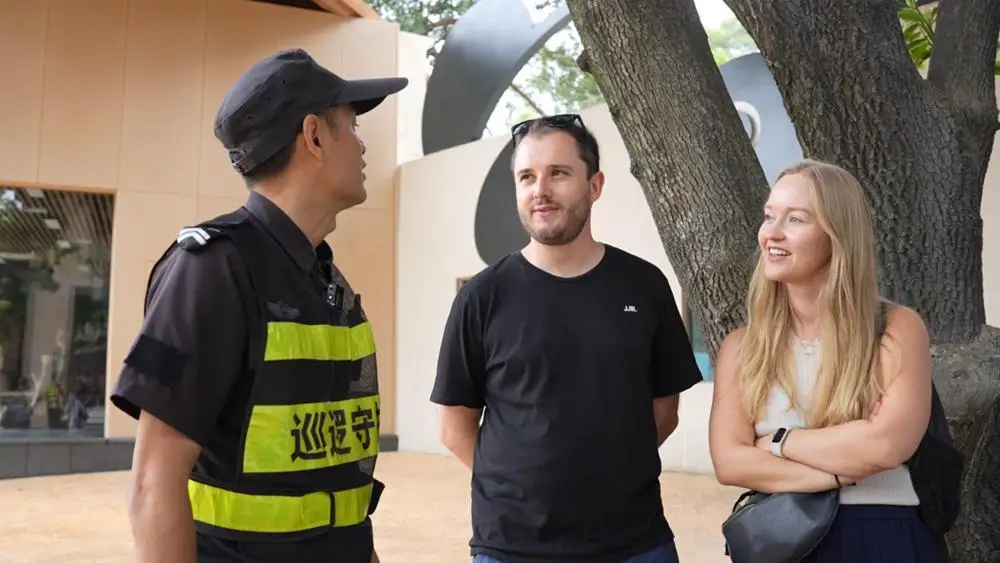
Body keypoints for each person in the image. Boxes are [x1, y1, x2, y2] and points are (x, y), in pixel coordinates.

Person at [110, 48, 408, 563]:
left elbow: (333, 485)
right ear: (314, 136)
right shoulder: (210, 271)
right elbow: (152, 483)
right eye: (351, 127)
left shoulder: (321, 275)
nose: (363, 147)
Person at [430, 113, 704, 563]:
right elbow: (454, 425)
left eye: (558, 173)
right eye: (527, 177)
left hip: (633, 543)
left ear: (595, 186)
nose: (540, 190)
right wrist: (522, 492)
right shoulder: (482, 297)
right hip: (512, 548)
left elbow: (664, 411)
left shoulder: (644, 285)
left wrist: (606, 473)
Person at [708, 159, 943, 562]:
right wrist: (836, 474)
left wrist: (779, 442)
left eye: (796, 219)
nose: (772, 233)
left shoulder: (895, 329)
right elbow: (729, 462)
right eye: (769, 216)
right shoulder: (743, 347)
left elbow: (885, 446)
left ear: (837, 236)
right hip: (785, 540)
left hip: (882, 537)